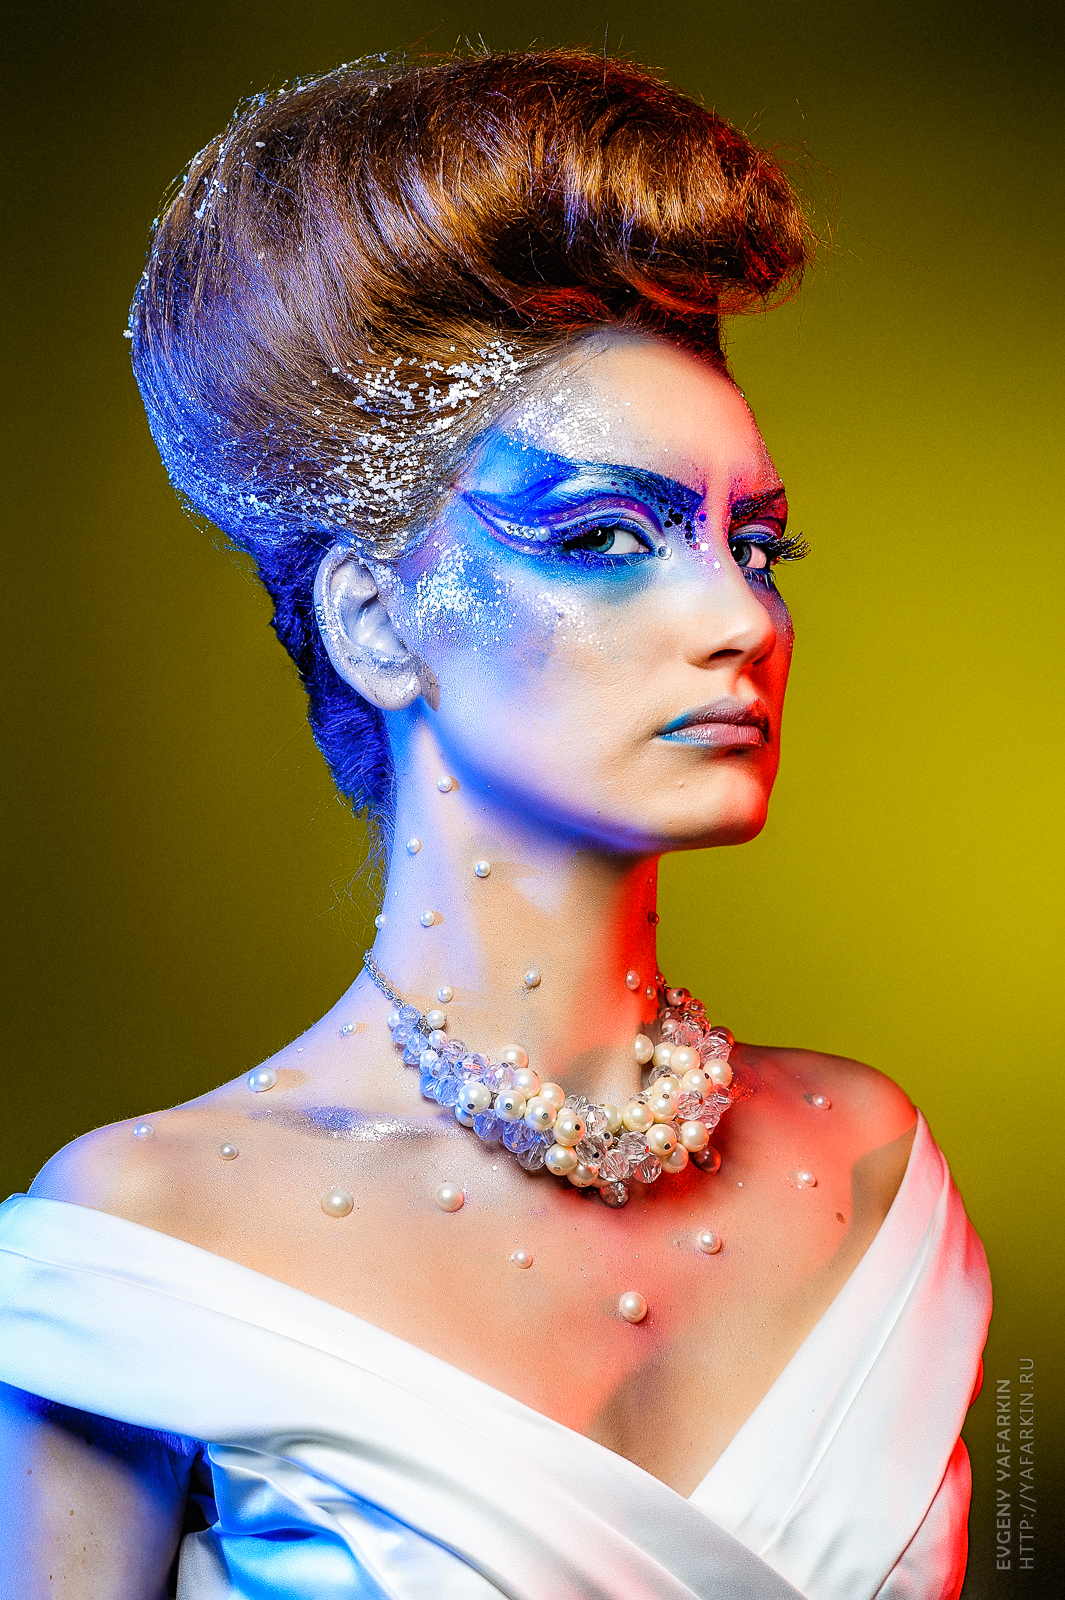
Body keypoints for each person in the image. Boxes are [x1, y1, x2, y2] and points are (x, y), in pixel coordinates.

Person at [0, 49, 990, 1600]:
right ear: (374, 620)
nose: (740, 619)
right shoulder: (150, 1233)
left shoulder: (864, 1163)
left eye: (757, 546)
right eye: (601, 535)